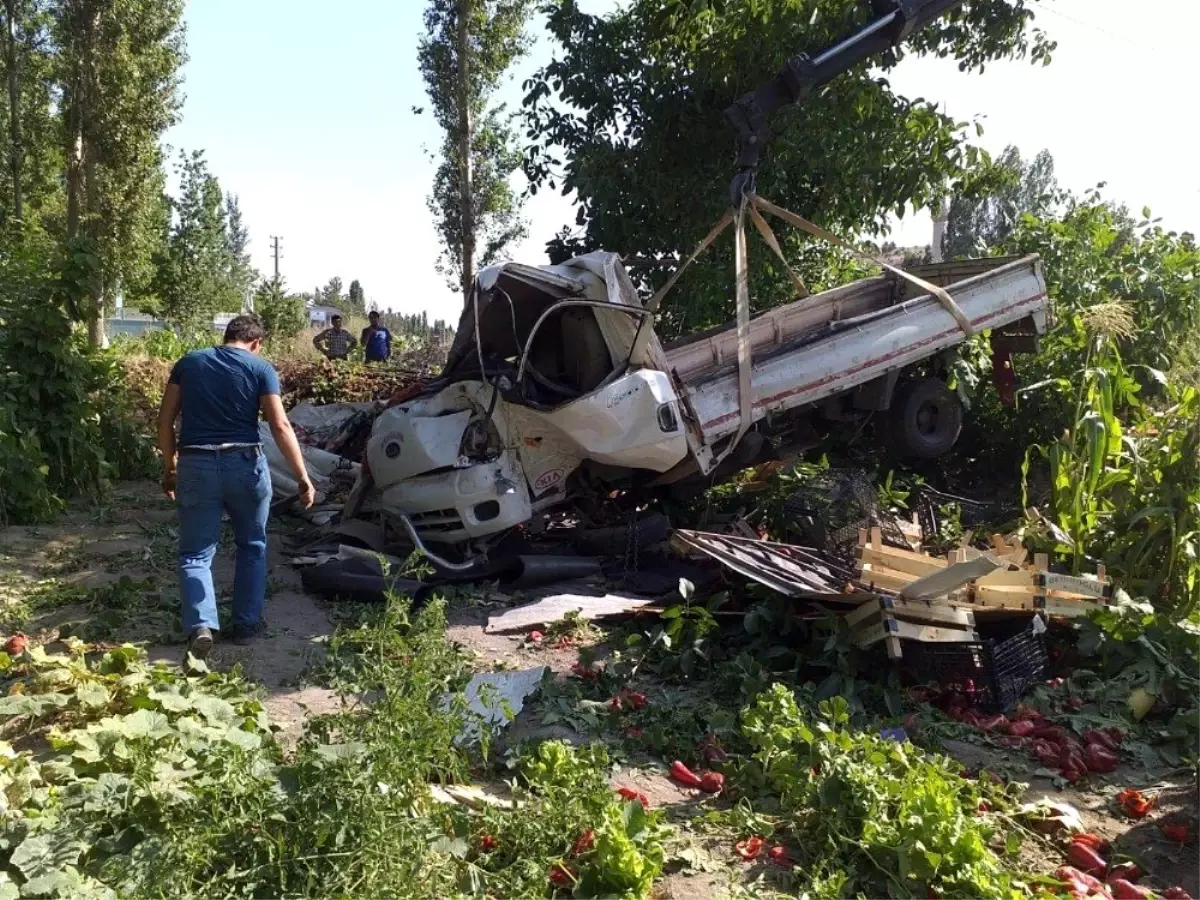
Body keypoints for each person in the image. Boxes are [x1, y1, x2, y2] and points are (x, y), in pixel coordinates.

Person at [156, 314, 316, 660]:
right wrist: (302, 476)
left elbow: (165, 420)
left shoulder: (189, 363)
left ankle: (201, 625)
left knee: (195, 552)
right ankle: (246, 624)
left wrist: (170, 467)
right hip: (244, 465)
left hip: (196, 464)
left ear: (227, 336)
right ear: (256, 343)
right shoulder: (260, 369)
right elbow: (280, 424)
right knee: (252, 545)